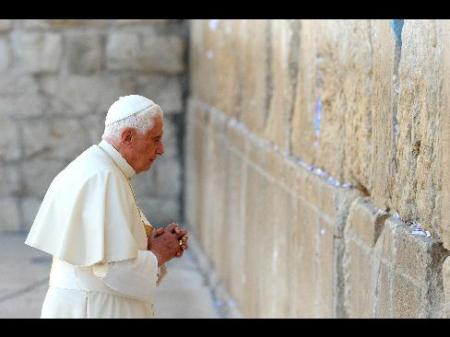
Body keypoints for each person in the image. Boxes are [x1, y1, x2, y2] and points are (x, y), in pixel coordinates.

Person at [25, 95, 189, 318]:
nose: (161, 149)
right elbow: (114, 269)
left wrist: (147, 243)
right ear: (128, 136)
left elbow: (105, 252)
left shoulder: (99, 167)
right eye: (155, 139)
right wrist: (158, 254)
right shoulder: (104, 177)